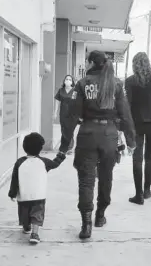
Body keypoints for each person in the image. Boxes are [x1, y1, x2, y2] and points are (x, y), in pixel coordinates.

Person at [59, 50, 136, 240]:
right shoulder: (117, 84)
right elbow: (126, 115)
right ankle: (100, 215)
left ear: (92, 62)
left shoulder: (82, 84)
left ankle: (86, 225)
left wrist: (65, 144)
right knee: (106, 177)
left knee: (86, 180)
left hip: (88, 134)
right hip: (109, 136)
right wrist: (131, 141)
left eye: (86, 62)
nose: (85, 65)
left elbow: (72, 116)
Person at [8, 133, 66, 244]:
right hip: (39, 196)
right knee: (37, 214)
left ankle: (26, 227)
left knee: (24, 213)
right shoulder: (44, 162)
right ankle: (35, 234)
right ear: (40, 148)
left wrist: (12, 193)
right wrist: (61, 155)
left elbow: (14, 179)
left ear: (24, 147)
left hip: (24, 196)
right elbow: (55, 164)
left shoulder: (19, 162)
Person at [125, 52, 151, 205]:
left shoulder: (130, 81)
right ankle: (147, 190)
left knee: (137, 158)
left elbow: (128, 104)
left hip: (137, 123)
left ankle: (138, 195)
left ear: (134, 64)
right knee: (150, 157)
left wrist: (127, 125)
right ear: (148, 63)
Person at [54, 75, 76, 154]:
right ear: (64, 81)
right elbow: (57, 102)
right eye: (66, 79)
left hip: (71, 114)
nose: (68, 80)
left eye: (70, 79)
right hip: (63, 113)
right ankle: (63, 147)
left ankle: (69, 147)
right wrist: (55, 113)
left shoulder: (74, 91)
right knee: (63, 130)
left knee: (70, 130)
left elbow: (76, 103)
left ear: (72, 82)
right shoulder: (61, 90)